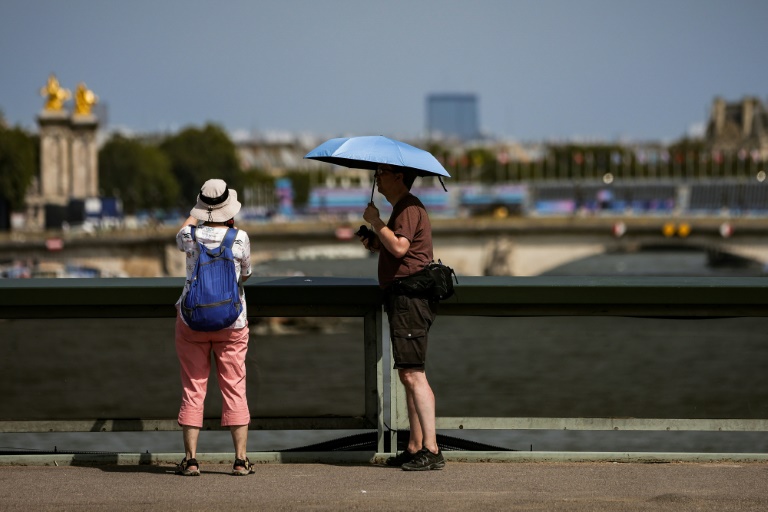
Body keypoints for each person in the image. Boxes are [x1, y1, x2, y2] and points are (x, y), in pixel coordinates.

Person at [360, 164, 445, 471]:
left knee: (413, 374)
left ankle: (432, 449)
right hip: (404, 298)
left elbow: (399, 247)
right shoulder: (403, 208)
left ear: (399, 177)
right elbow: (395, 248)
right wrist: (372, 239)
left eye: (381, 173)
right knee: (408, 373)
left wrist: (375, 221)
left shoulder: (408, 207)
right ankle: (415, 446)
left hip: (410, 299)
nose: (376, 178)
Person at [174, 179, 254, 476]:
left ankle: (192, 460)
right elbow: (245, 274)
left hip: (191, 321)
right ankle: (241, 460)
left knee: (193, 388)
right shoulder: (240, 238)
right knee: (234, 388)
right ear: (228, 207)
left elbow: (181, 231)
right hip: (232, 323)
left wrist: (197, 213)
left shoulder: (188, 235)